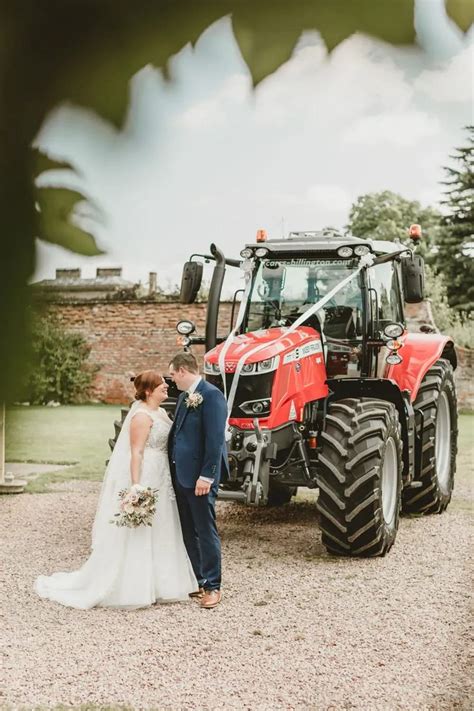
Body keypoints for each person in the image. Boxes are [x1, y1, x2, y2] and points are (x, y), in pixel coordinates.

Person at [34, 370, 197, 609]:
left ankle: (162, 583)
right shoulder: (141, 416)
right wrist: (136, 485)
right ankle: (135, 586)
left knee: (162, 523)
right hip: (147, 472)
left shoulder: (161, 412)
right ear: (149, 390)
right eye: (161, 384)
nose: (166, 386)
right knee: (142, 527)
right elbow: (136, 452)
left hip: (162, 474)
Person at [168, 352, 228, 609]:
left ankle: (214, 586)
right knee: (188, 532)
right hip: (181, 476)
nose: (171, 379)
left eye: (172, 374)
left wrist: (207, 474)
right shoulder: (184, 397)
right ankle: (200, 580)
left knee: (205, 531)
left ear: (182, 370)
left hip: (200, 478)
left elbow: (215, 440)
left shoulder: (212, 395)